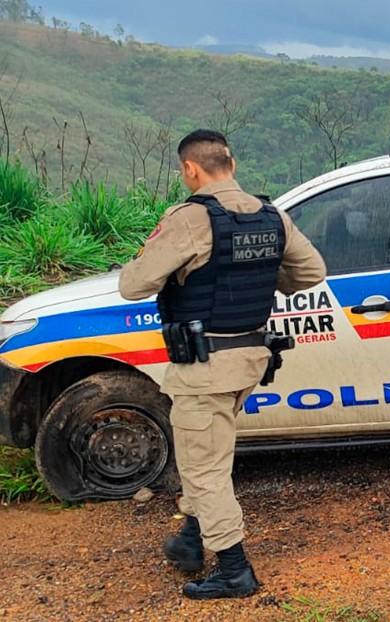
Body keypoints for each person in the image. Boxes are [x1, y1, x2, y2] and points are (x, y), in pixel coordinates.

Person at [119, 130, 326, 599]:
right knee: (207, 455)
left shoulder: (191, 219)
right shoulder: (272, 216)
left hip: (204, 366)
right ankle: (190, 541)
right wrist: (253, 275)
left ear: (191, 169)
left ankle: (234, 569)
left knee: (204, 468)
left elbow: (133, 285)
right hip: (249, 358)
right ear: (230, 163)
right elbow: (311, 272)